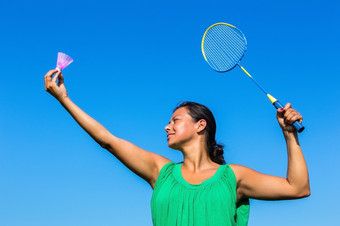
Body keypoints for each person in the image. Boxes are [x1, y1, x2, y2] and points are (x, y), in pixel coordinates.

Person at [44, 69, 310, 226]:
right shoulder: (161, 173)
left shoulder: (233, 178)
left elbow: (297, 188)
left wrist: (289, 135)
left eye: (175, 120)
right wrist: (64, 100)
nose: (166, 127)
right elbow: (108, 141)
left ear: (200, 125)